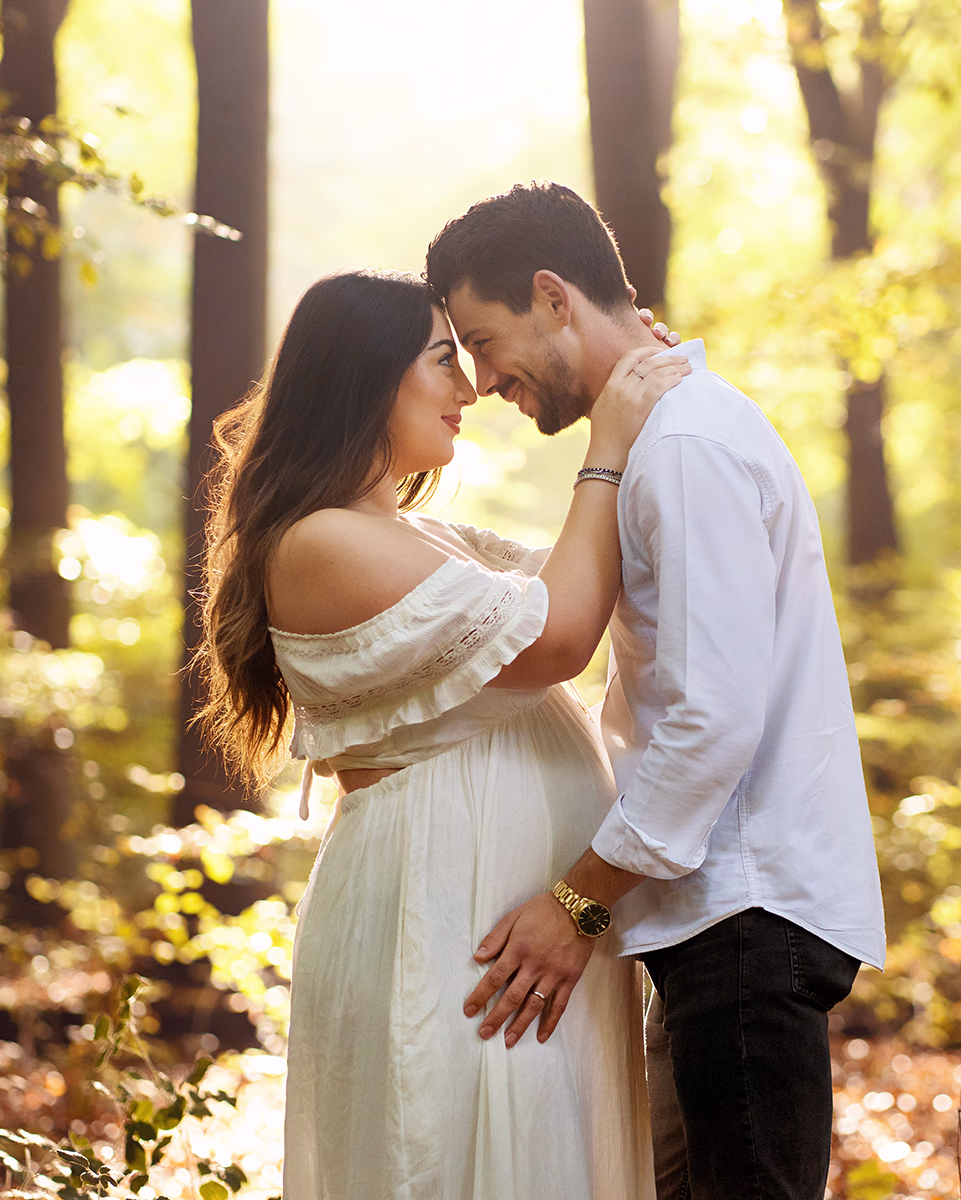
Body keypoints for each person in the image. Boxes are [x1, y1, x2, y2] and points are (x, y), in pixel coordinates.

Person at [426, 183, 887, 1200]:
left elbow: (714, 717)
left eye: (484, 339)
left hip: (744, 919)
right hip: (712, 922)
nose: (483, 375)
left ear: (553, 296)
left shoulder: (681, 446)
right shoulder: (667, 436)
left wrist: (576, 905)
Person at [194, 268, 686, 1200]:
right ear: (365, 377)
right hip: (446, 921)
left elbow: (603, 571)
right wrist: (609, 438)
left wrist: (623, 369)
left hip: (518, 935)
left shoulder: (427, 539)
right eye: (441, 361)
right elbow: (563, 633)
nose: (468, 390)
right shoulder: (321, 542)